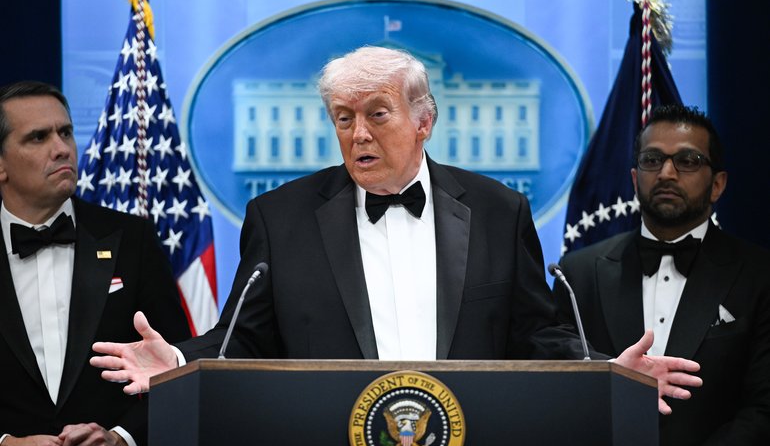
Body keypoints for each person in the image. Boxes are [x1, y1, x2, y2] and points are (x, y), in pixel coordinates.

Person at [90, 46, 699, 413]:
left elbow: (538, 334)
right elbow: (242, 340)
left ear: (423, 120)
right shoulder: (280, 218)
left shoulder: (496, 211)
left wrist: (607, 374)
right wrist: (176, 359)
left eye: (377, 115)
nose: (358, 134)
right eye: (344, 118)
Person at [553, 104, 770, 446]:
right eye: (653, 160)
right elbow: (558, 397)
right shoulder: (577, 272)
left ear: (718, 184)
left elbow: (764, 410)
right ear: (635, 179)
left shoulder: (760, 275)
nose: (667, 172)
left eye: (688, 160)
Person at [0, 81, 191, 446]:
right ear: (1, 165)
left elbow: (184, 371)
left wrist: (121, 440)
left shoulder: (133, 240)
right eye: (38, 137)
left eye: (66, 133)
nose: (62, 148)